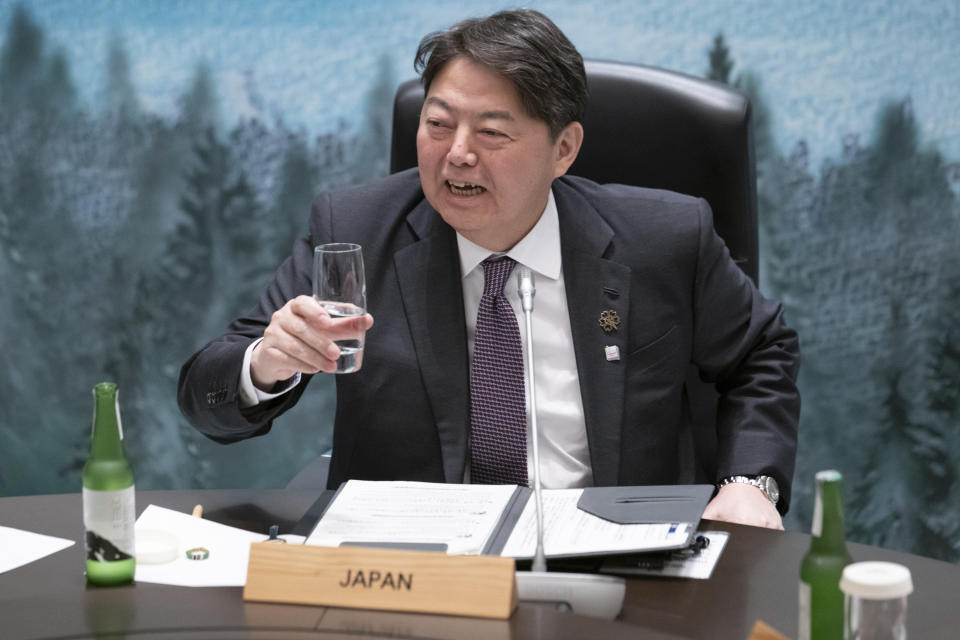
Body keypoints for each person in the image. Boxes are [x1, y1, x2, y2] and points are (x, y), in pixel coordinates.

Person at [178, 9, 800, 529]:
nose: (457, 155)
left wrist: (750, 482)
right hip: (419, 565)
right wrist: (264, 362)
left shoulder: (663, 239)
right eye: (438, 124)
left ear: (564, 149)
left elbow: (762, 353)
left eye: (492, 134)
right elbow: (208, 394)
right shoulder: (356, 230)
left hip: (618, 557)